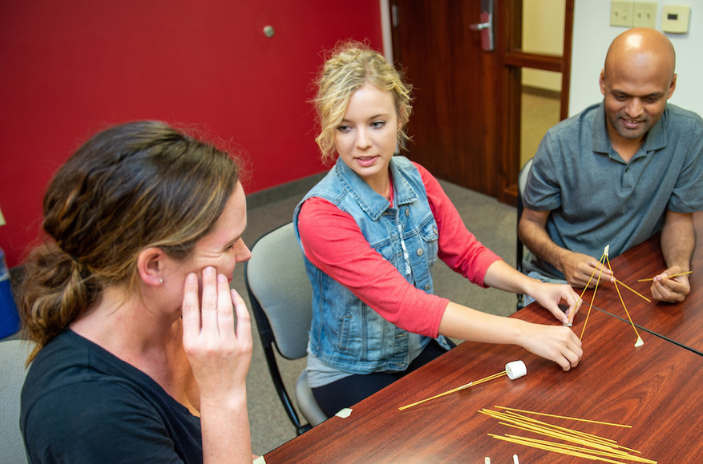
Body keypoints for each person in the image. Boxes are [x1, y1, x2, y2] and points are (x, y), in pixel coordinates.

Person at [294, 42, 583, 417]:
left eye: (377, 124)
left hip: (416, 345)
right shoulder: (320, 215)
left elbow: (466, 253)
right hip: (351, 371)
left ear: (401, 117)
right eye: (345, 128)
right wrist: (523, 332)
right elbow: (404, 304)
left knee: (488, 417)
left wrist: (533, 286)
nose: (362, 142)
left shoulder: (416, 178)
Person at [18, 121, 255, 463]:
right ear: (154, 266)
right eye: (229, 244)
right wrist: (225, 395)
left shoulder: (177, 321)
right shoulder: (87, 415)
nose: (245, 254)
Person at [519, 27, 703, 303]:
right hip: (558, 280)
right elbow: (529, 223)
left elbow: (679, 219)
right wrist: (564, 260)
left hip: (634, 275)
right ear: (602, 82)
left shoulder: (690, 134)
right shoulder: (561, 142)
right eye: (621, 96)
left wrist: (679, 269)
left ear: (671, 87)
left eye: (650, 99)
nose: (633, 112)